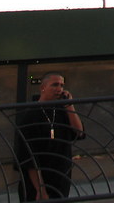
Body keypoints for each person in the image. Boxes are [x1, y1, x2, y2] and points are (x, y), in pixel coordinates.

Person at [14, 72, 85, 200]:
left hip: (60, 176)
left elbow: (79, 131)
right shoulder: (30, 116)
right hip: (38, 180)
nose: (59, 89)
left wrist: (70, 105)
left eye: (62, 85)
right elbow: (28, 157)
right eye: (55, 85)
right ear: (43, 88)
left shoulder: (62, 112)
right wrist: (40, 189)